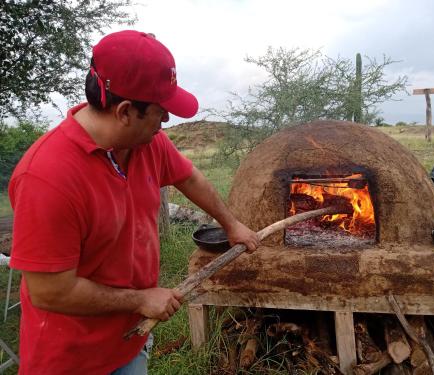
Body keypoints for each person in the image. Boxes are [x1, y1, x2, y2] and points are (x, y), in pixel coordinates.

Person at [8, 30, 259, 375]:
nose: (167, 121)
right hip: (72, 358)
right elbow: (50, 292)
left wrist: (231, 224)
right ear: (125, 111)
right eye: (160, 111)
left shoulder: (147, 143)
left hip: (131, 341)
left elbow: (188, 177)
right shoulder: (48, 177)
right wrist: (141, 299)